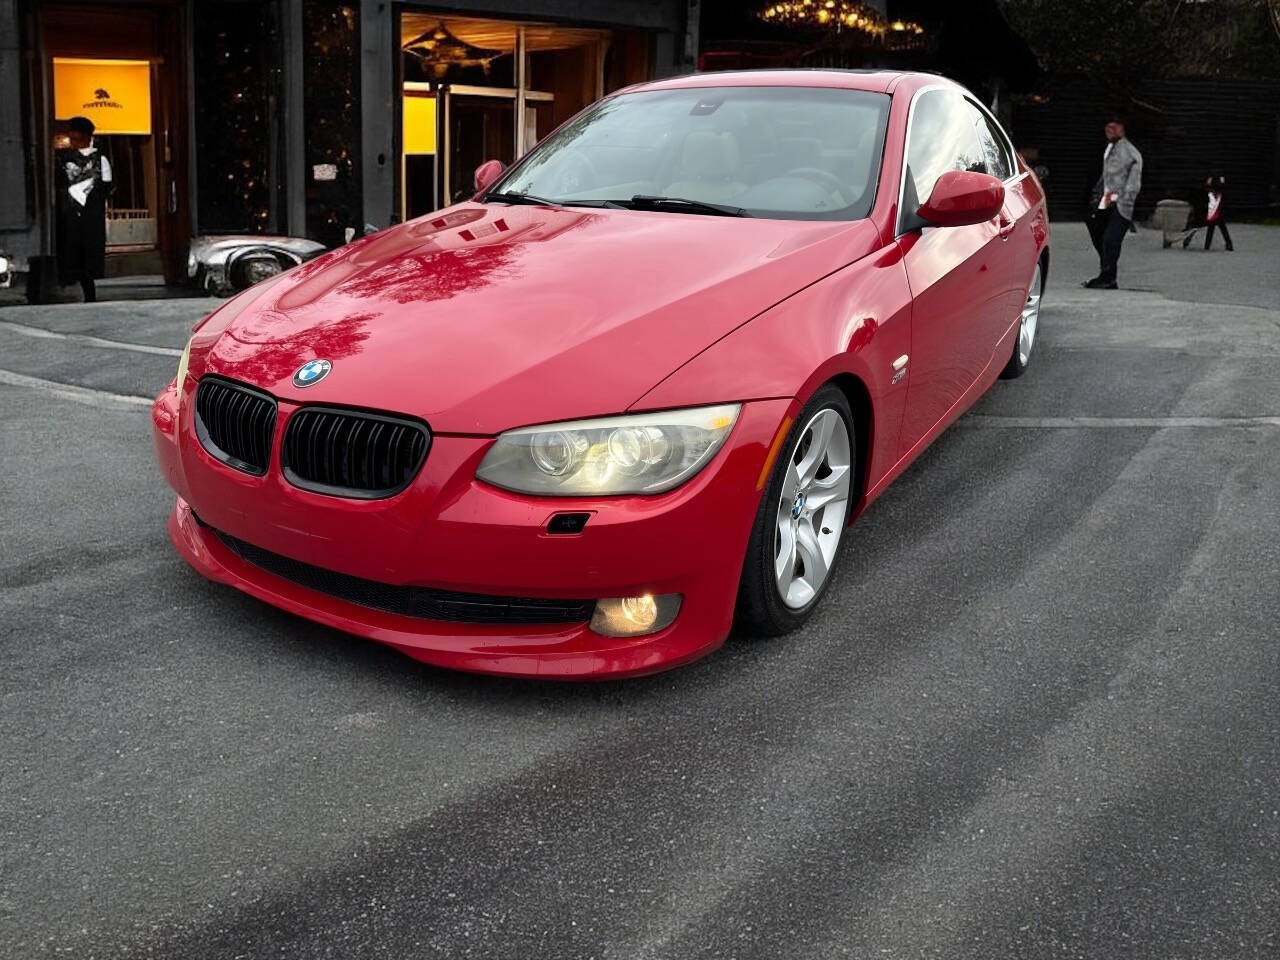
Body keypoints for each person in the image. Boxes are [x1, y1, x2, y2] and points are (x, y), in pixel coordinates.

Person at [55, 116, 113, 303]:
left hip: (88, 214)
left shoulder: (99, 158)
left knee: (84, 252)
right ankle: (78, 284)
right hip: (73, 213)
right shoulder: (62, 158)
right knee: (73, 251)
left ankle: (86, 288)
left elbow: (106, 187)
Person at [1083, 117, 1142, 290]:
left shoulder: (1130, 152)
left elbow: (1133, 182)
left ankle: (1109, 276)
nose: (1109, 130)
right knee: (1098, 233)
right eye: (1107, 127)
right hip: (1106, 200)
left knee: (1111, 239)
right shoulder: (1111, 148)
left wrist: (1125, 200)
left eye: (1114, 127)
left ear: (1122, 129)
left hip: (1120, 202)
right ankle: (1105, 272)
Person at [1184, 172, 1233, 252]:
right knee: (1219, 223)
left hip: (1205, 215)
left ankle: (1206, 244)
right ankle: (1226, 243)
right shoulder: (1214, 194)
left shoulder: (1206, 193)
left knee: (1214, 222)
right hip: (1209, 215)